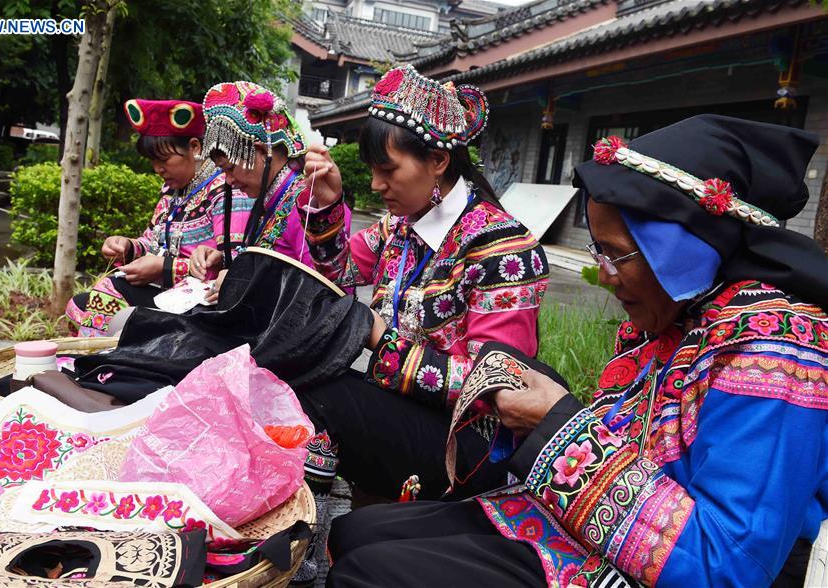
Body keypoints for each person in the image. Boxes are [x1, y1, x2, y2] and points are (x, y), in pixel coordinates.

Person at [326, 114, 828, 588]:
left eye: (617, 255)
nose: (604, 276)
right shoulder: (681, 313)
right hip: (595, 528)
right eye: (598, 252)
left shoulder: (778, 350)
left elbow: (726, 566)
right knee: (356, 533)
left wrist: (557, 425)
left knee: (371, 570)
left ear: (681, 250)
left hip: (654, 566)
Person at [291, 65, 550, 583]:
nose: (376, 185)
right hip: (405, 409)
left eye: (388, 170)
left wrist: (380, 338)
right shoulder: (400, 227)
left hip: (469, 443)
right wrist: (329, 204)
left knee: (325, 395)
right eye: (372, 171)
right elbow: (339, 273)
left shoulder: (504, 250)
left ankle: (302, 549)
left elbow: (497, 387)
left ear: (438, 160)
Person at [66, 99, 229, 336]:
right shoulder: (171, 192)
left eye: (164, 159)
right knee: (77, 306)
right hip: (168, 291)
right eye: (153, 161)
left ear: (194, 147)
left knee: (108, 292)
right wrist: (127, 247)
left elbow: (230, 263)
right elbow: (152, 241)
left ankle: (99, 359)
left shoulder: (223, 190)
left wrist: (164, 268)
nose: (157, 169)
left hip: (202, 301)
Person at [187, 81, 331, 300]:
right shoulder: (274, 200)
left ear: (262, 152)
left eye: (231, 168)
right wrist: (223, 262)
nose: (228, 181)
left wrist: (240, 283)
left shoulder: (308, 204)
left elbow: (320, 294)